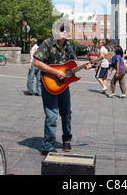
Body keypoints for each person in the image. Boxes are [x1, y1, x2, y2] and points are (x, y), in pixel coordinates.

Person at [33, 22, 91, 155]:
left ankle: (67, 141)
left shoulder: (70, 45)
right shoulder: (47, 43)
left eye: (66, 30)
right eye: (62, 30)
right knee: (51, 116)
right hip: (49, 85)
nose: (65, 32)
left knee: (67, 114)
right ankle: (47, 145)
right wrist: (55, 72)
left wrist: (84, 66)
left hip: (64, 86)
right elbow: (37, 62)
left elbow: (72, 64)